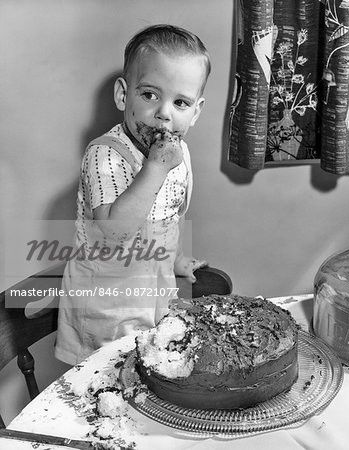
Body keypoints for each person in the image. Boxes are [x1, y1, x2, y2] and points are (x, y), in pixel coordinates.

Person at [55, 24, 211, 365]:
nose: (164, 113)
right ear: (124, 95)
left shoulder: (178, 154)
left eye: (180, 102)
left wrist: (177, 257)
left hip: (156, 288)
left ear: (195, 112)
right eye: (150, 95)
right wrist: (154, 169)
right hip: (107, 299)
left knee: (151, 365)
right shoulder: (105, 155)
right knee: (108, 376)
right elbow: (113, 231)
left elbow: (172, 213)